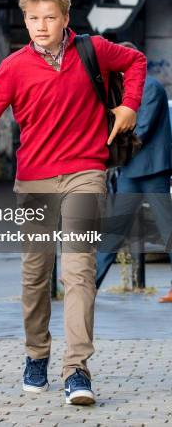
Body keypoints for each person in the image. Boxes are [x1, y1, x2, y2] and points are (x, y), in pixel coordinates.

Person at [0, 0, 146, 406]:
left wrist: (129, 105)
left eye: (49, 17)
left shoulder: (93, 50)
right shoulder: (14, 66)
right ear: (25, 20)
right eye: (33, 18)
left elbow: (136, 61)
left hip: (86, 172)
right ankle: (36, 354)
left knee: (78, 269)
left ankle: (77, 369)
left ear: (66, 18)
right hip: (35, 181)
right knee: (35, 274)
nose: (41, 26)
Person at [95, 43, 172, 298]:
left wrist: (107, 150)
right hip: (131, 171)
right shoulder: (124, 90)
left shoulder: (151, 87)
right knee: (115, 229)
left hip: (152, 171)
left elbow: (142, 129)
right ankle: (88, 286)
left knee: (167, 228)